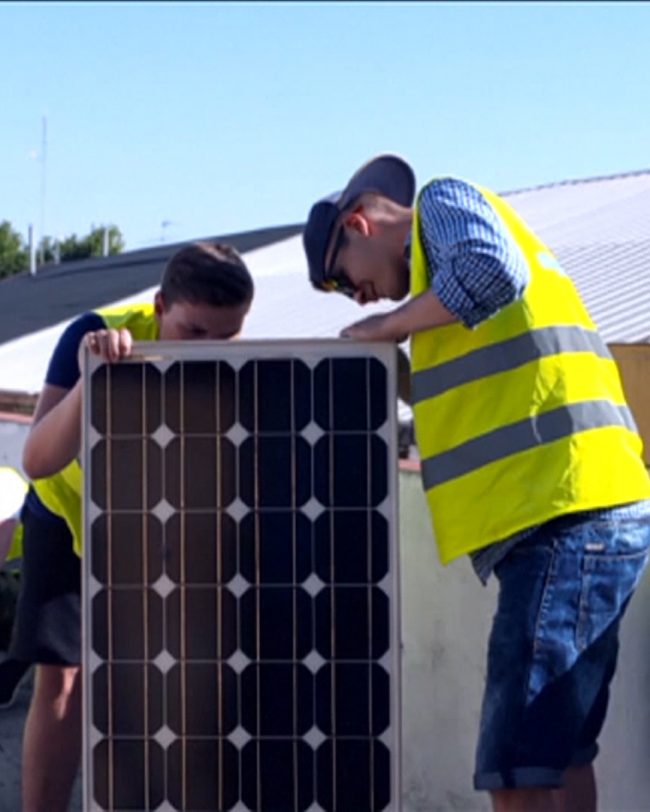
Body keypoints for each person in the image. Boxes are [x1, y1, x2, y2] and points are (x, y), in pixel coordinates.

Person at [302, 154, 650, 812]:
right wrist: (390, 364)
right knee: (559, 755)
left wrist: (385, 328)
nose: (360, 298)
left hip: (565, 515)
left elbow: (493, 272)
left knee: (516, 769)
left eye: (343, 281)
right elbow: (472, 397)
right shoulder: (437, 304)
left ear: (359, 224)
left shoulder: (443, 204)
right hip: (585, 511)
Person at [10, 241, 255, 812]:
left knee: (158, 674)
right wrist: (94, 377)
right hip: (66, 513)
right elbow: (38, 459)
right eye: (193, 332)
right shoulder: (91, 334)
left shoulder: (245, 365)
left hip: (151, 523)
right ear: (160, 306)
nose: (207, 350)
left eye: (226, 336)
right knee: (62, 678)